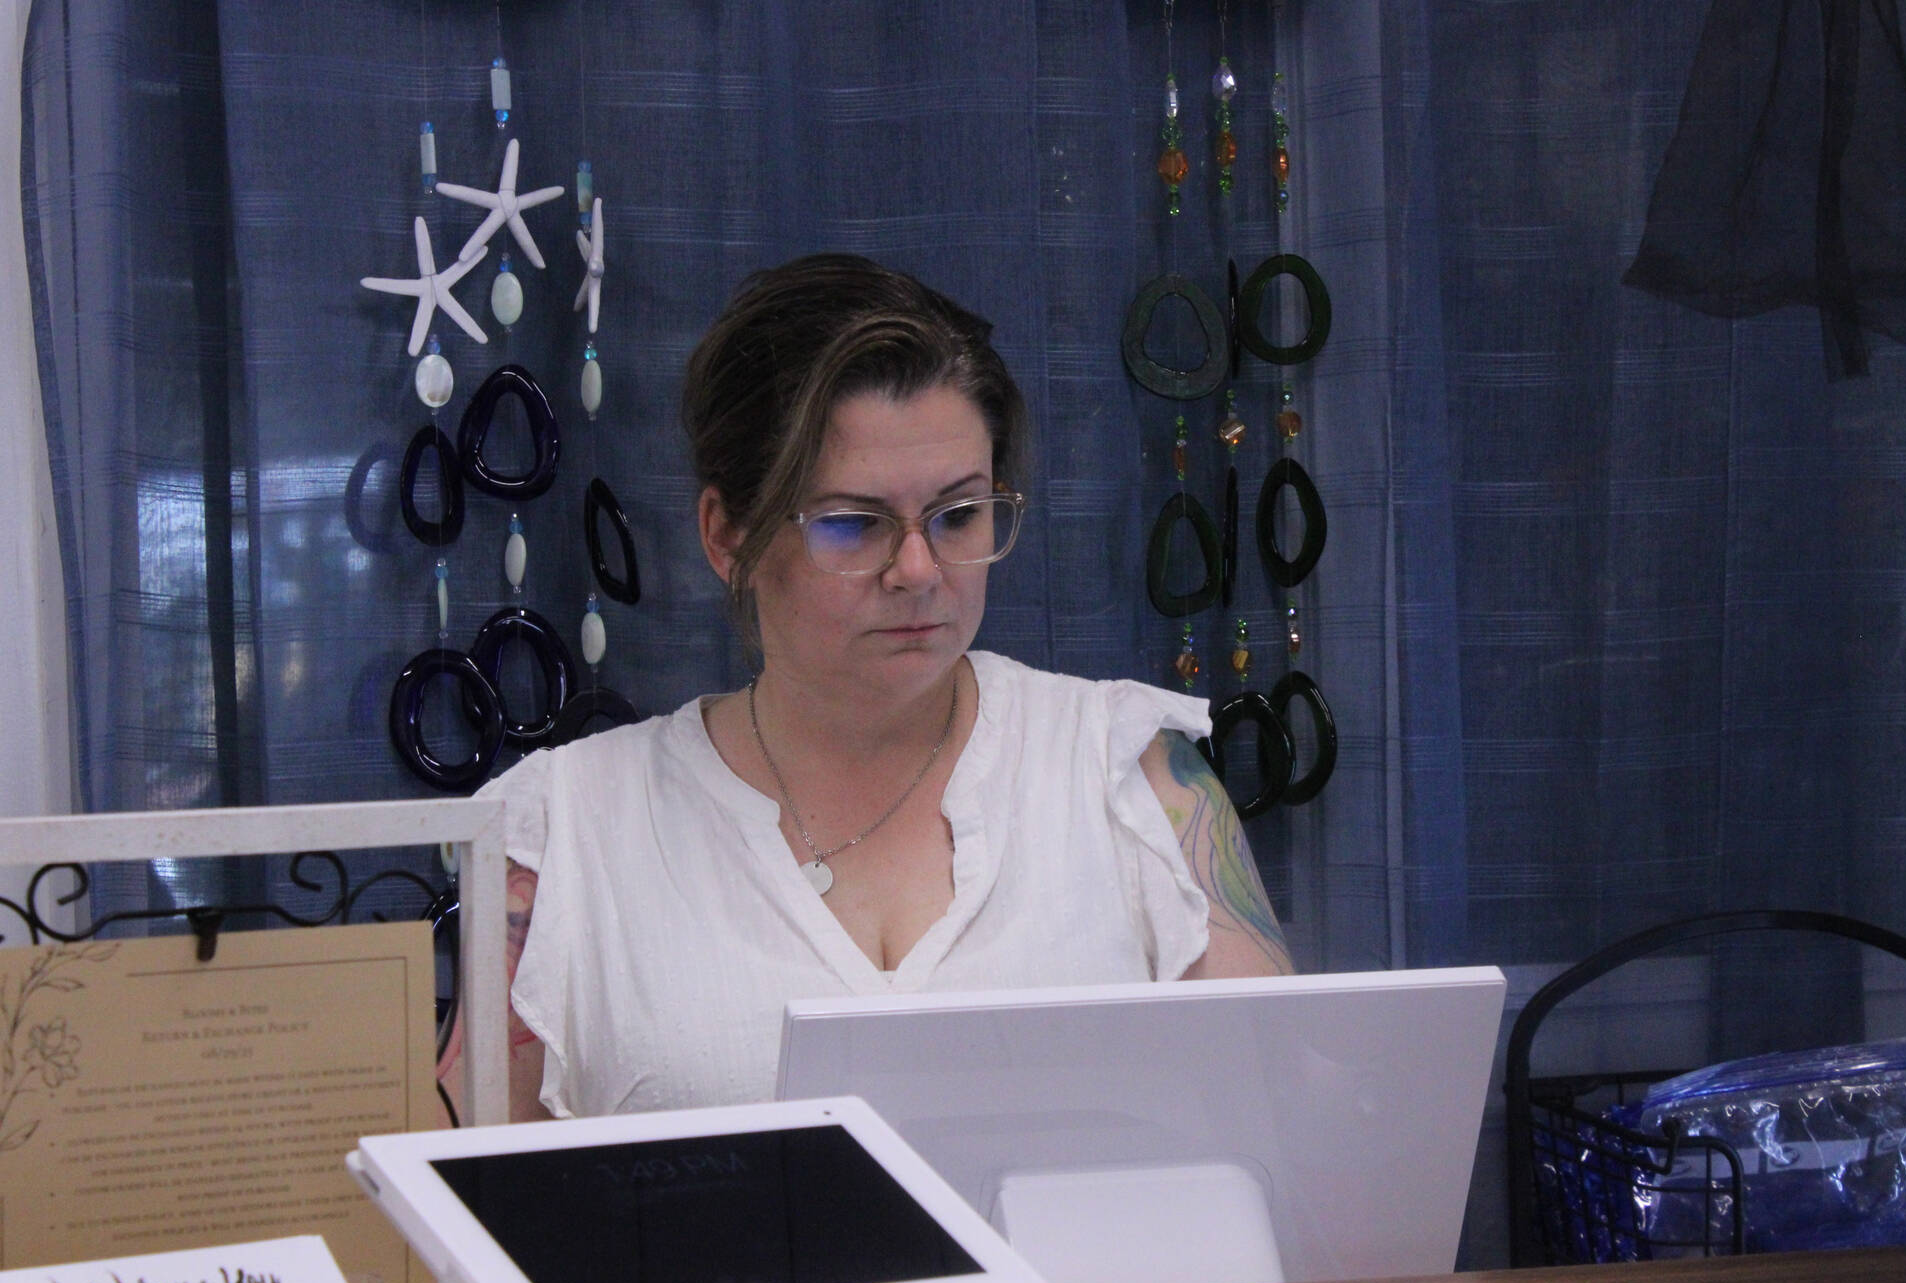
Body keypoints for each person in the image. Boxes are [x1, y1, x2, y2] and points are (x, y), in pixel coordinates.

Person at [457, 254, 1291, 1122]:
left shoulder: (1132, 777)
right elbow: (439, 1190)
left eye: (958, 515)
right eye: (853, 524)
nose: (919, 570)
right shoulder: (563, 832)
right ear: (727, 537)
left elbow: (1279, 1141)